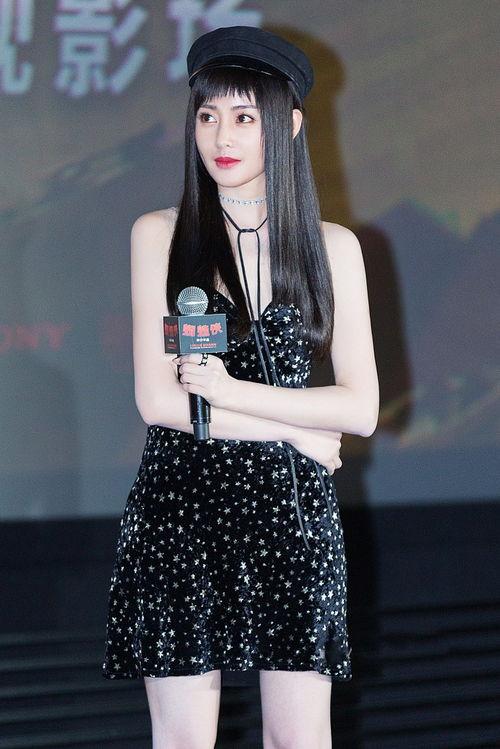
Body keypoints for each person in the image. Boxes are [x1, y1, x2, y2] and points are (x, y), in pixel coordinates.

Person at [102, 25, 379, 749]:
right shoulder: (160, 234)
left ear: (288, 126)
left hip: (292, 512)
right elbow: (160, 402)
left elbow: (360, 407)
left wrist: (226, 389)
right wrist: (294, 428)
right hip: (182, 508)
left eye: (244, 116)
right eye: (207, 114)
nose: (221, 136)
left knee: (299, 739)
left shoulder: (333, 247)